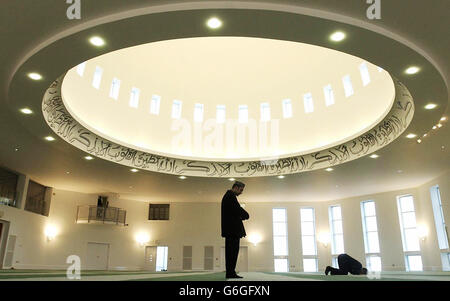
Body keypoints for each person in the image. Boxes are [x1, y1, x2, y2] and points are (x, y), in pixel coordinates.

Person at [221, 181, 249, 279]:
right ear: (236, 187)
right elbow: (238, 210)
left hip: (230, 230)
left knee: (231, 253)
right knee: (232, 253)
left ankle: (230, 272)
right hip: (232, 231)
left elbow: (234, 212)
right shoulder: (230, 196)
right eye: (241, 190)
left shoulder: (228, 196)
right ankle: (230, 273)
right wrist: (246, 215)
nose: (241, 192)